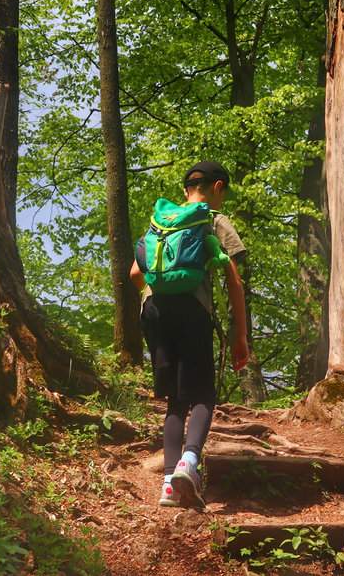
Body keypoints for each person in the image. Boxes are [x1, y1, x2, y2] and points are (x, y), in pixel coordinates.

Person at [129, 160, 249, 509]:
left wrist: (158, 290)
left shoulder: (160, 223)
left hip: (154, 312)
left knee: (173, 400)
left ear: (185, 189)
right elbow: (234, 281)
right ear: (218, 188)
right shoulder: (212, 220)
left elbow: (135, 273)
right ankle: (189, 462)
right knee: (202, 395)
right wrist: (241, 336)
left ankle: (168, 483)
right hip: (193, 311)